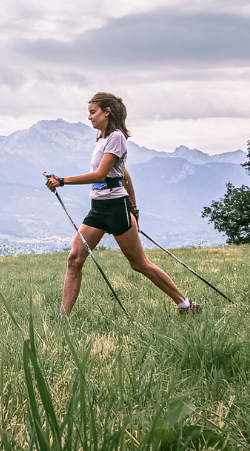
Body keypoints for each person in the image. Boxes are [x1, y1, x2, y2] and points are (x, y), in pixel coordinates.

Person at [45, 92, 199, 316]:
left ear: (107, 111)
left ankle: (186, 304)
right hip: (98, 209)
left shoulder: (117, 137)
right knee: (74, 258)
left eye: (93, 112)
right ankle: (62, 317)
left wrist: (62, 181)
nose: (89, 117)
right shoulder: (102, 140)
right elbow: (124, 175)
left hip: (116, 208)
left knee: (139, 264)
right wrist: (135, 208)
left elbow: (100, 175)